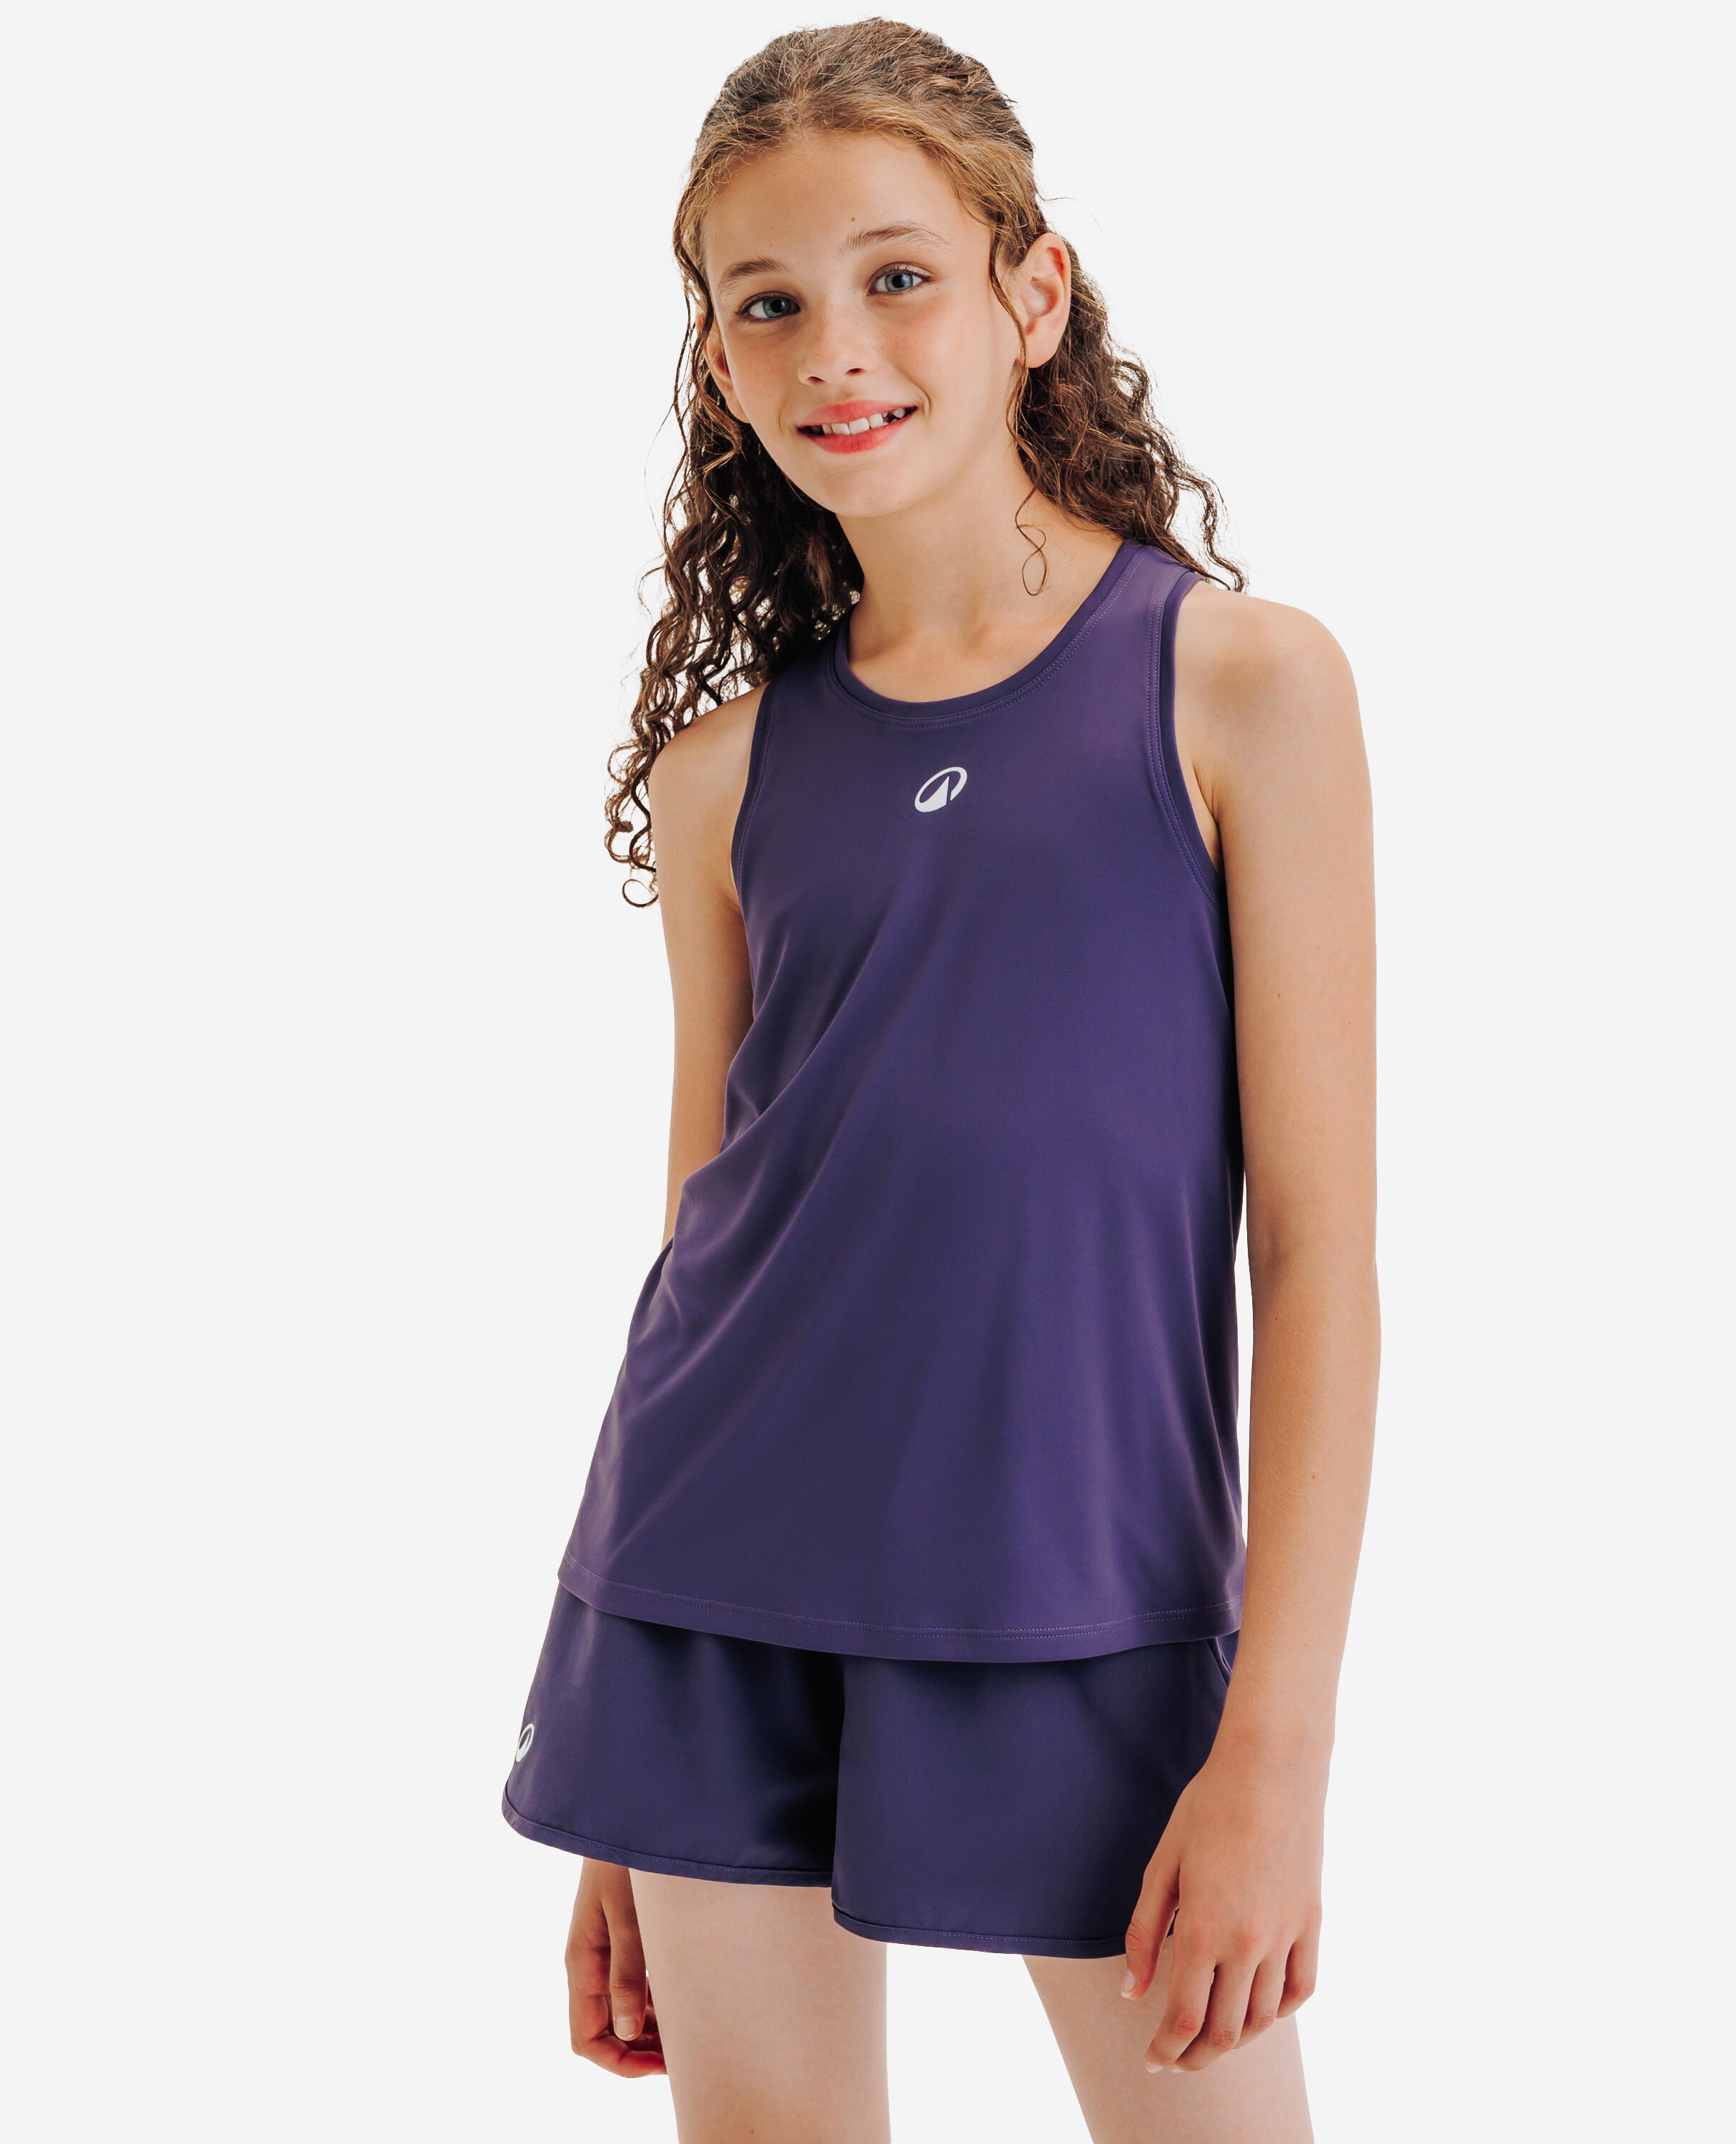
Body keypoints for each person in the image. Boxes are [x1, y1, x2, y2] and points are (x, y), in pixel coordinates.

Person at [502, 19, 1378, 2140]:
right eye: (766, 303)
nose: (837, 349)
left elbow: (1319, 1254)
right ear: (718, 362)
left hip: (1085, 1596)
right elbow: (704, 1234)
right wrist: (628, 1789)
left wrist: (1273, 1754)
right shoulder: (725, 779)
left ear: (1031, 292)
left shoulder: (1238, 687)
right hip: (707, 1592)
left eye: (897, 275)